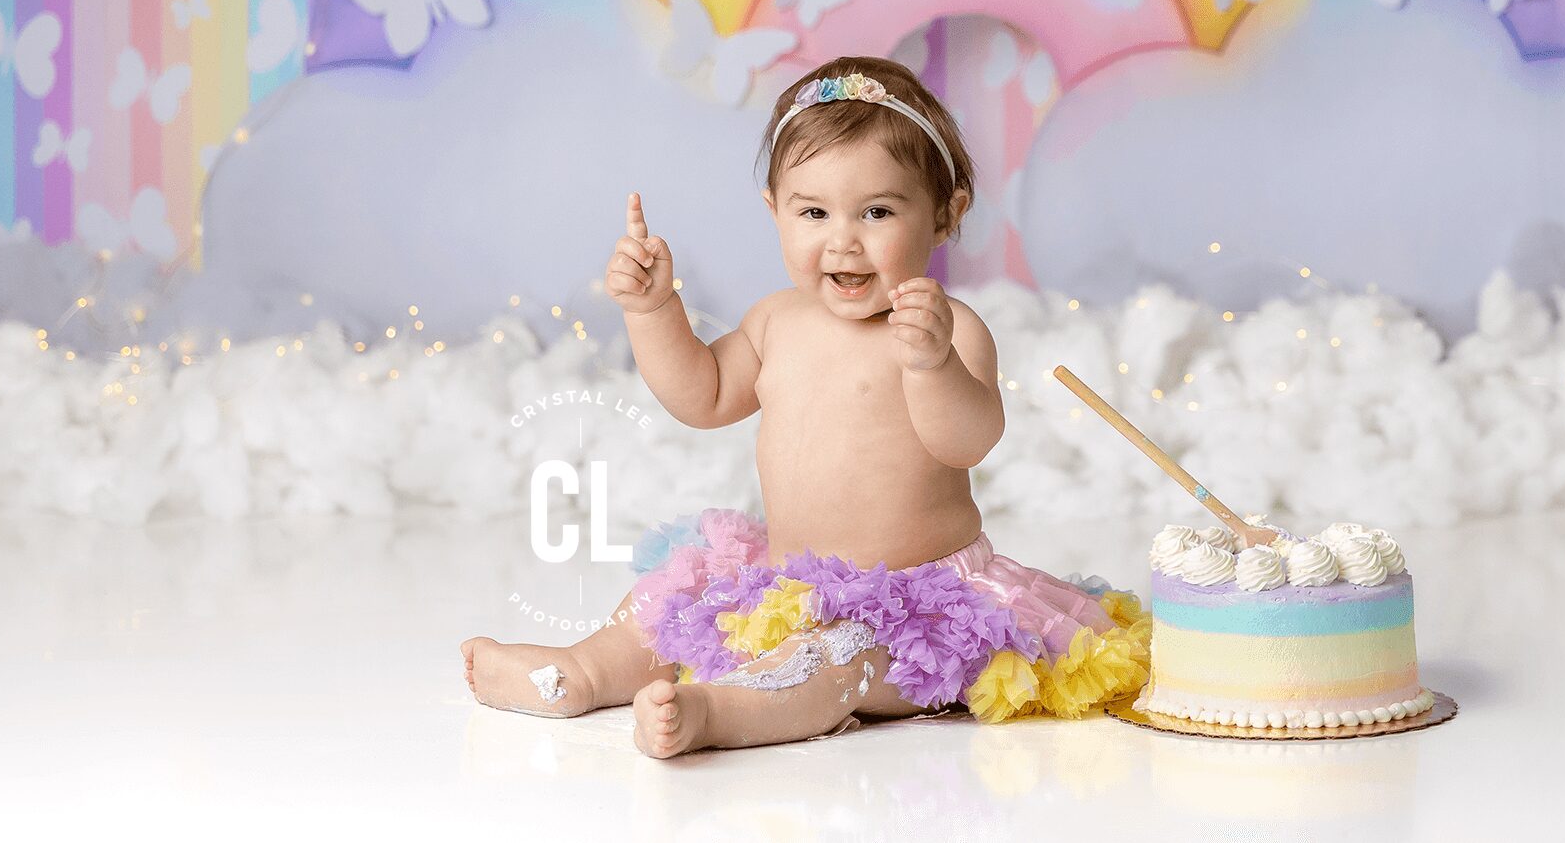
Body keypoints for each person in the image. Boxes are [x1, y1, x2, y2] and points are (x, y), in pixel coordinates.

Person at [461, 55, 1148, 757]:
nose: (842, 239)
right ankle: (578, 672)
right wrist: (653, 310)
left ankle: (718, 711)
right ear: (775, 210)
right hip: (786, 581)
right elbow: (703, 394)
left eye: (877, 211)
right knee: (665, 609)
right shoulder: (775, 321)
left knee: (834, 665)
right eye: (814, 212)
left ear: (946, 213)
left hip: (914, 605)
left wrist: (931, 364)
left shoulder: (949, 329)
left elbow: (967, 440)